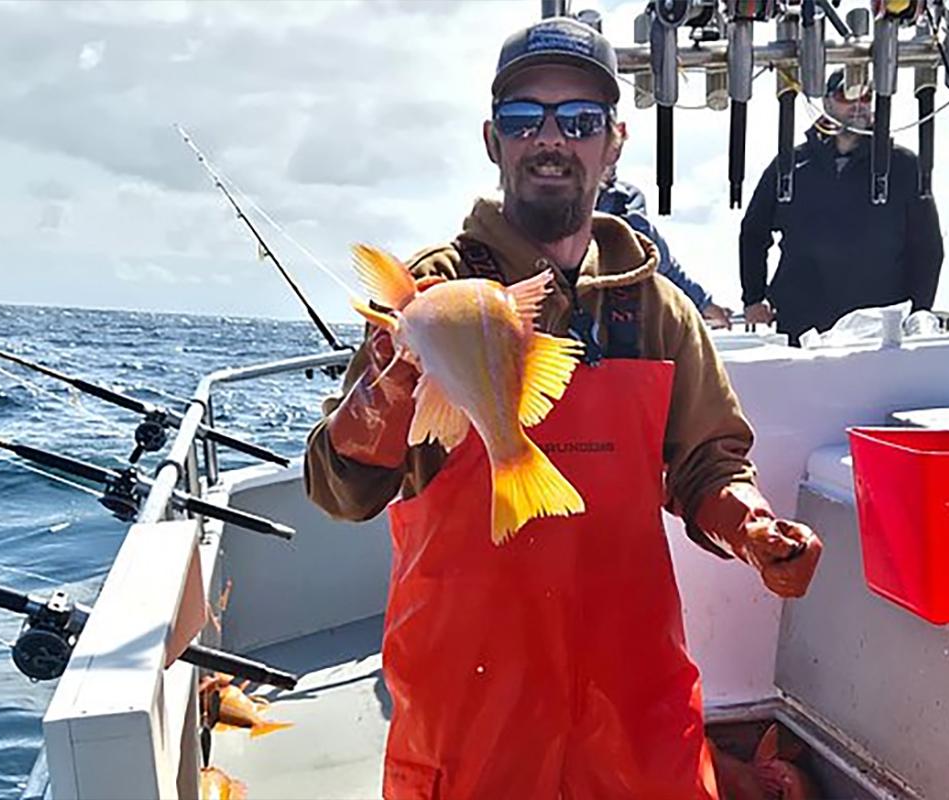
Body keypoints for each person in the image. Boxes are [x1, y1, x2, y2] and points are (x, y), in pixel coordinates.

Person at [305, 17, 821, 800]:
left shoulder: (655, 309)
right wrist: (390, 386)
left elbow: (708, 463)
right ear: (494, 140)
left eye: (578, 120)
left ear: (612, 144)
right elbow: (341, 492)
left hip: (636, 709)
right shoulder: (434, 288)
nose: (551, 138)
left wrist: (751, 528)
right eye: (525, 118)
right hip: (471, 712)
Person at [740, 70, 944, 345]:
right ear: (826, 103)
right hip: (801, 328)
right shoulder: (790, 165)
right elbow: (753, 233)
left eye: (867, 95)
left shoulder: (904, 166)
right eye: (846, 95)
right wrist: (754, 297)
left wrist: (919, 312)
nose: (858, 103)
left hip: (879, 332)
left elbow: (928, 248)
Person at [596, 166, 734, 329]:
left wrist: (702, 303)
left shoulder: (628, 199)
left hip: (616, 315)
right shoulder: (559, 196)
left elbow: (660, 263)